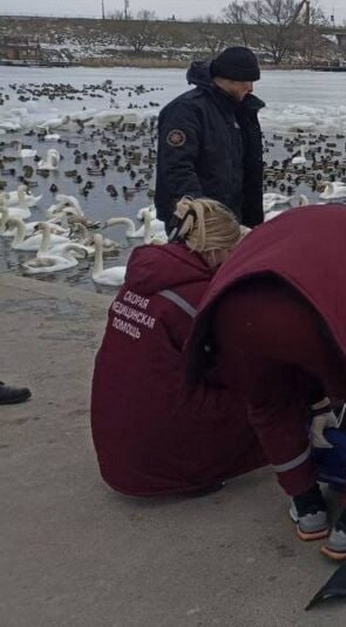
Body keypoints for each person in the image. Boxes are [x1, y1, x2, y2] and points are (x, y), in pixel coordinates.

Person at [186, 203, 346, 561]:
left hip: (231, 312)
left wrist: (320, 403)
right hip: (313, 316)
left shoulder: (295, 223)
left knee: (269, 406)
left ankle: (308, 509)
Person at [90, 197, 264, 497]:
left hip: (115, 446)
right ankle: (195, 471)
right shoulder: (200, 297)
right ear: (219, 249)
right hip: (159, 458)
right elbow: (233, 368)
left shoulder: (141, 277)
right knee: (270, 398)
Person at [154, 46, 266, 229]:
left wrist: (251, 219)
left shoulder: (239, 110)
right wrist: (202, 218)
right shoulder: (186, 111)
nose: (251, 88)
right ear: (230, 78)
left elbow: (245, 167)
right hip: (197, 221)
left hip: (231, 217)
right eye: (247, 81)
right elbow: (177, 169)